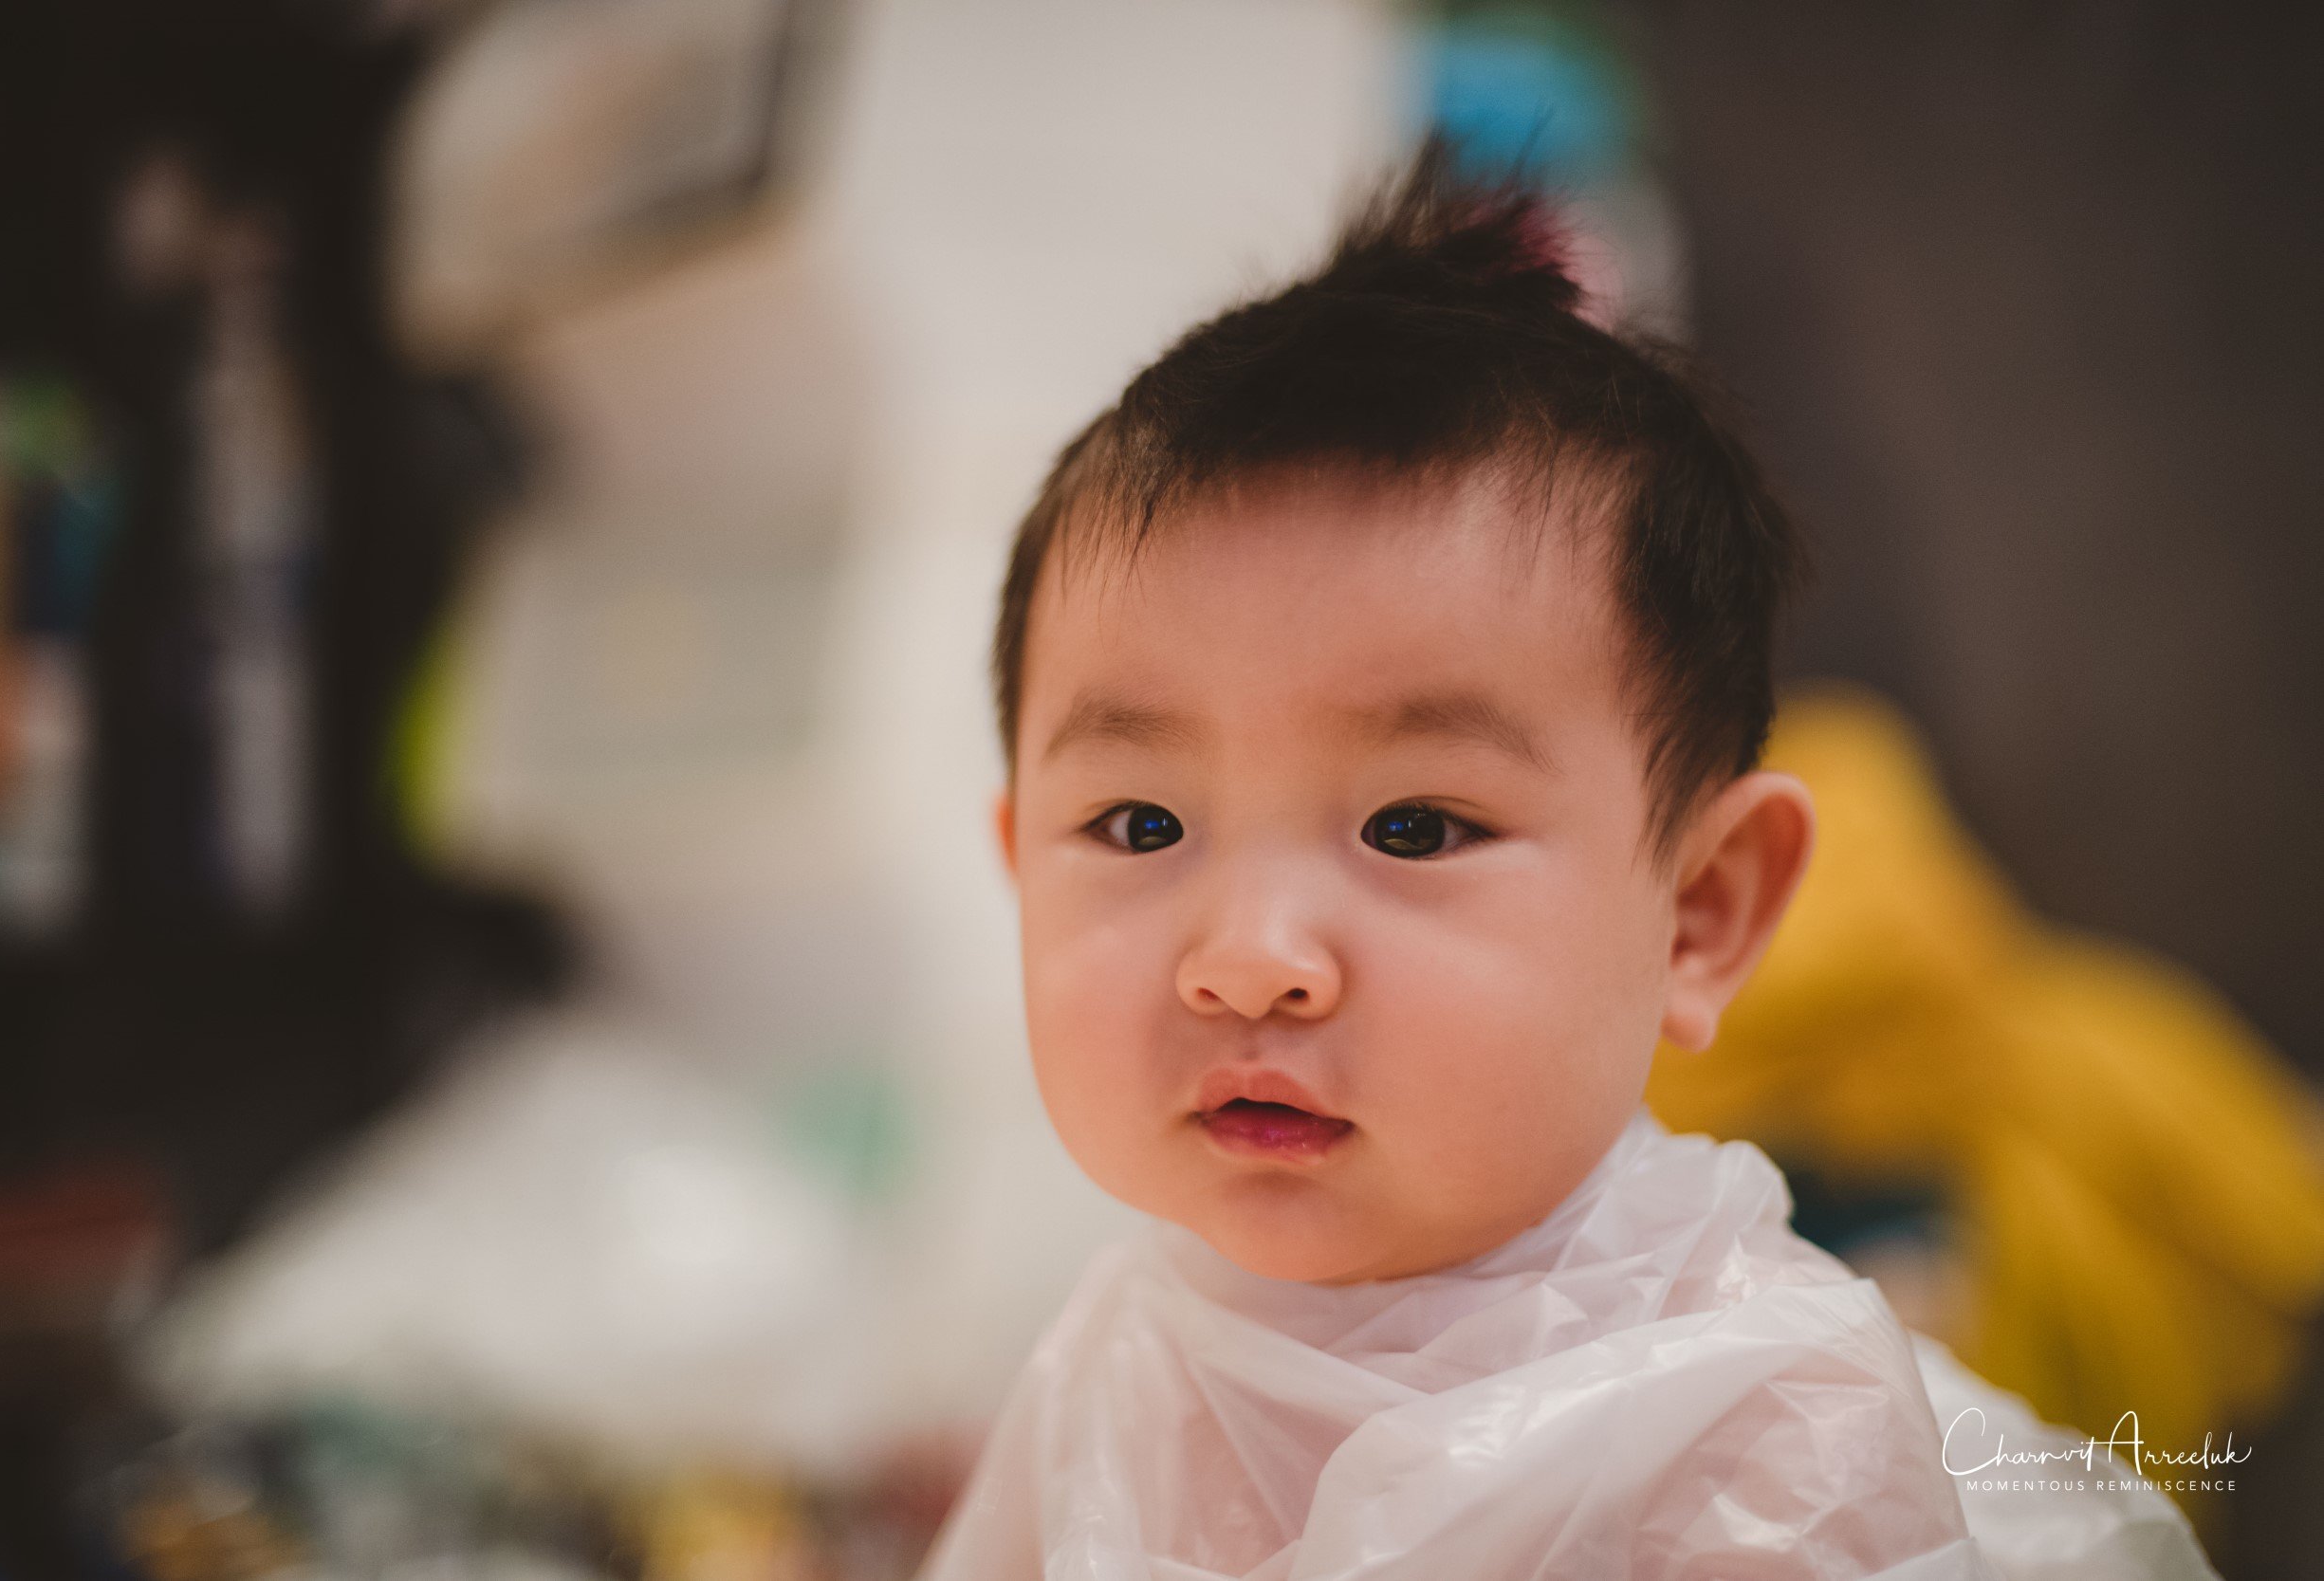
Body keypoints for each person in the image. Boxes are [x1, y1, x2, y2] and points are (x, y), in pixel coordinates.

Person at [915, 148, 2218, 1580]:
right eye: (1141, 826)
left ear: (1701, 911)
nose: (1248, 961)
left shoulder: (1768, 1447)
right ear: (1021, 865)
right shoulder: (1123, 1355)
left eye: (1414, 827)